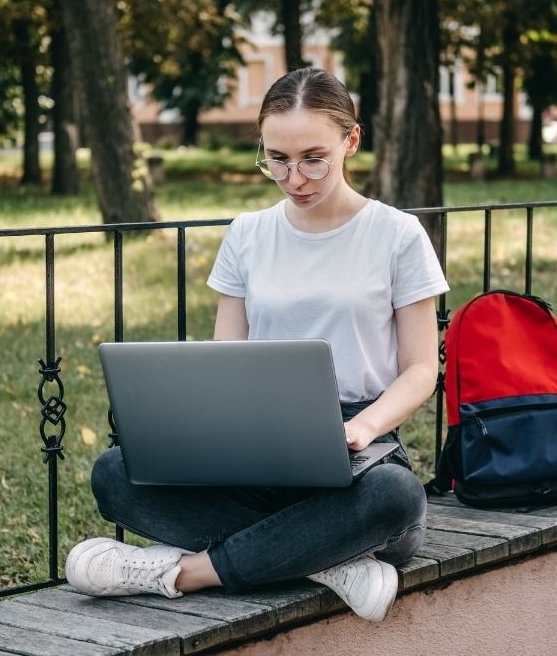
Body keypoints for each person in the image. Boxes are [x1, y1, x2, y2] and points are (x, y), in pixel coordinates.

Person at [65, 67, 449, 622]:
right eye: (277, 159)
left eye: (313, 157)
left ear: (351, 141)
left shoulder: (397, 235)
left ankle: (178, 574)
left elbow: (420, 371)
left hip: (359, 452)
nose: (295, 177)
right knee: (114, 473)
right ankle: (325, 561)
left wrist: (362, 427)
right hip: (259, 445)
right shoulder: (248, 234)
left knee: (397, 500)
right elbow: (229, 362)